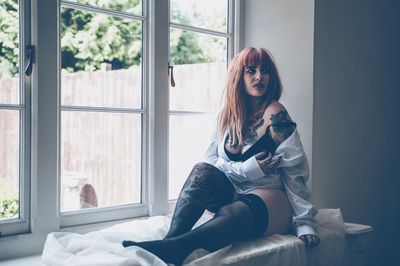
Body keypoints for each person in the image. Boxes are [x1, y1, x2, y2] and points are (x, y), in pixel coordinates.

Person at [123, 47, 320, 265]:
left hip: (270, 197)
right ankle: (170, 241)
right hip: (232, 189)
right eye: (251, 70)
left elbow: (295, 170)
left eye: (265, 71)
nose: (258, 77)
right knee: (201, 171)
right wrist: (247, 168)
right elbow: (210, 163)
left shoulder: (276, 113)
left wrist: (304, 222)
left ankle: (177, 248)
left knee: (231, 212)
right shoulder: (228, 115)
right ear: (239, 77)